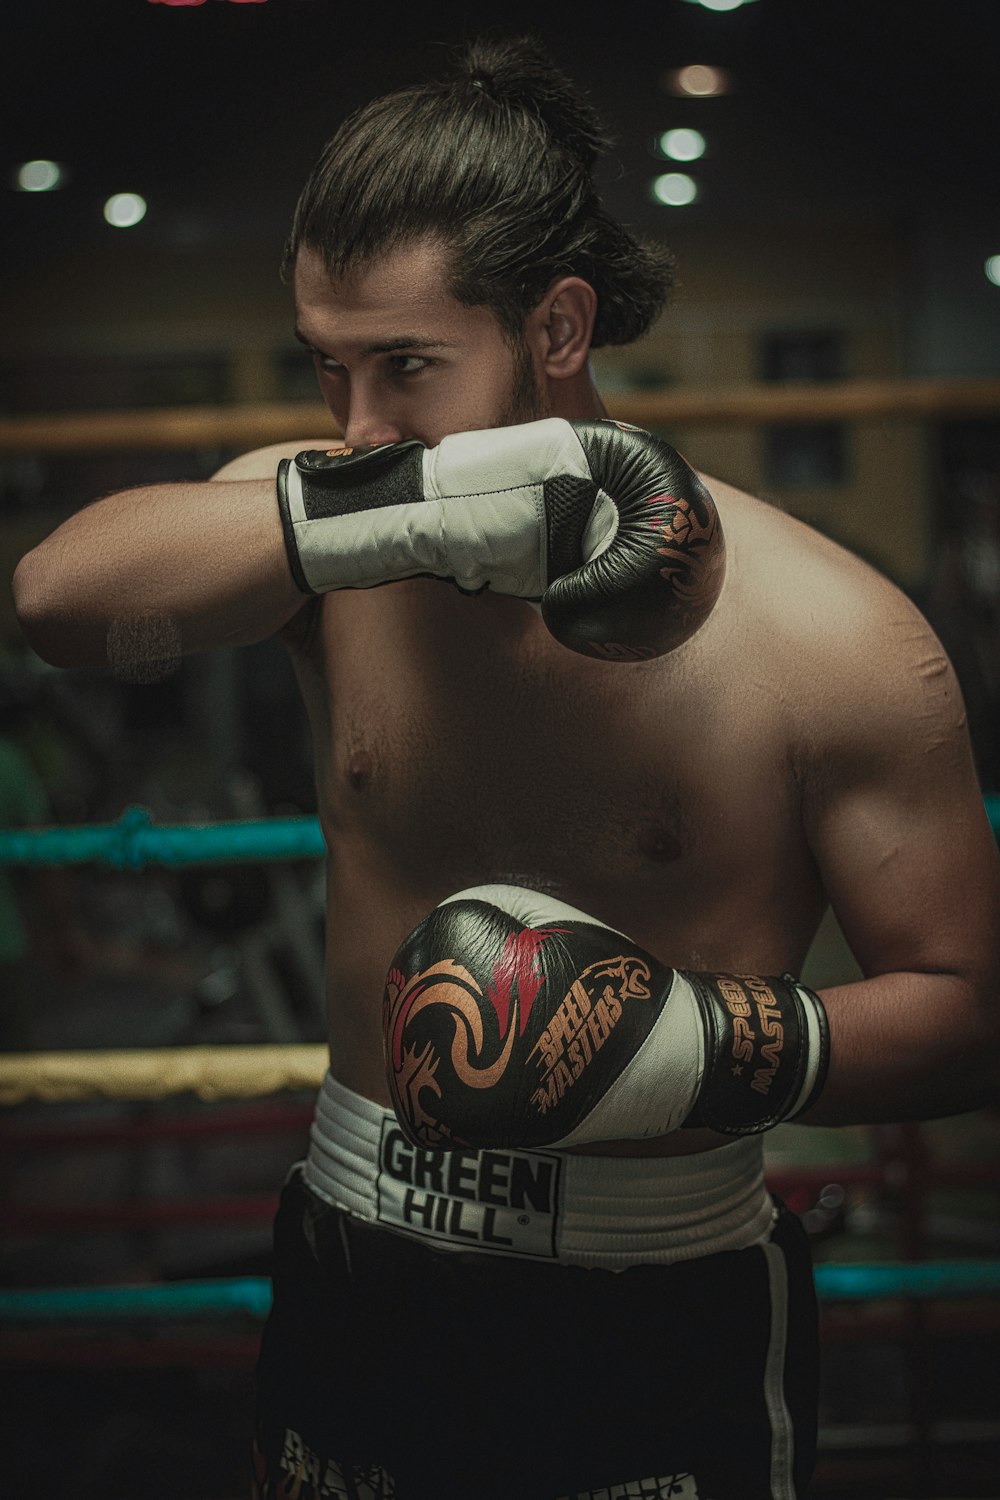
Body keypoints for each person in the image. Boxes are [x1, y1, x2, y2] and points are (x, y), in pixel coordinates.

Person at [10, 36, 1000, 1500]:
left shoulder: (830, 636)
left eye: (406, 366)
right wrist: (411, 504)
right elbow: (59, 611)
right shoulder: (329, 545)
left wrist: (691, 1050)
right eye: (328, 368)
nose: (355, 425)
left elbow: (970, 1011)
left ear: (556, 325)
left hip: (656, 1301)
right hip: (357, 1258)